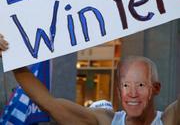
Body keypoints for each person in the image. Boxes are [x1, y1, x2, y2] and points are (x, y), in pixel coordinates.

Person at [0, 34, 179, 125]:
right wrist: (11, 55)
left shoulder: (168, 120)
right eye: (125, 85)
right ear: (118, 91)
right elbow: (48, 103)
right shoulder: (105, 121)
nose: (132, 93)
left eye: (140, 85)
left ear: (155, 88)